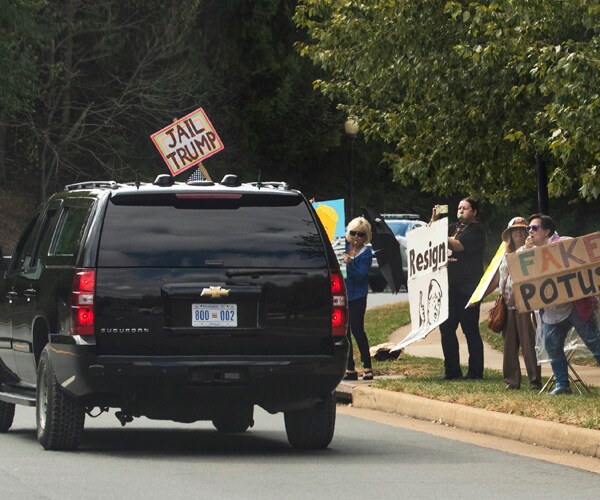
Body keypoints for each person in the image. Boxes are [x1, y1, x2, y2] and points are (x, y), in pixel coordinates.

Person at [521, 214, 600, 395]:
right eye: (528, 229)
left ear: (547, 231)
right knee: (553, 347)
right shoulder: (526, 252)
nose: (530, 232)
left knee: (595, 343)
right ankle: (562, 385)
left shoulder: (564, 243)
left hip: (576, 307)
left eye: (535, 228)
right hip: (551, 312)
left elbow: (582, 255)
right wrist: (527, 250)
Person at [432, 198, 486, 380]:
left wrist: (440, 233)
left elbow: (458, 246)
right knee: (446, 330)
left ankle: (475, 372)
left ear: (474, 211)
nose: (461, 210)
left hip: (468, 288)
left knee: (470, 330)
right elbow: (432, 236)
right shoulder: (453, 227)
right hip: (449, 288)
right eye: (459, 207)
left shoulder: (476, 230)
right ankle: (452, 370)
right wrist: (435, 220)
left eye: (465, 208)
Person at [488, 217, 542, 390]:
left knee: (528, 345)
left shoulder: (532, 250)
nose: (518, 232)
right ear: (509, 234)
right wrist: (479, 297)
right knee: (509, 345)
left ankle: (534, 381)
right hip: (507, 304)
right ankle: (511, 381)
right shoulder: (504, 254)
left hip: (526, 303)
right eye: (514, 229)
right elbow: (497, 278)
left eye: (522, 229)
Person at [342, 217, 374, 381]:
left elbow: (361, 275)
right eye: (353, 233)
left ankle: (367, 365)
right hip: (343, 293)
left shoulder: (366, 253)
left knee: (357, 329)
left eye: (360, 234)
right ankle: (349, 367)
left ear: (365, 236)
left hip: (358, 296)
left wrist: (350, 264)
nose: (356, 237)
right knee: (343, 330)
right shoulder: (343, 247)